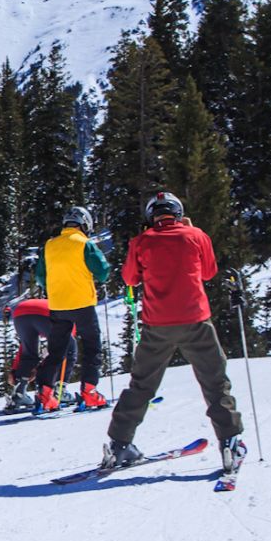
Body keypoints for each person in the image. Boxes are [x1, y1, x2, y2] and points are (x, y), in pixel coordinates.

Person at [103, 192, 247, 477]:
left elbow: (130, 278)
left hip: (157, 324)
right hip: (195, 320)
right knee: (215, 383)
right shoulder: (196, 235)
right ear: (179, 213)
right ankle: (229, 442)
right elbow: (209, 272)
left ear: (151, 216)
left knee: (141, 385)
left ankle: (120, 443)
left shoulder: (141, 242)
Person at [31, 206, 111, 413]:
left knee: (57, 351)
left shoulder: (49, 245)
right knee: (92, 348)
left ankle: (45, 395)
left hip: (58, 305)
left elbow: (40, 276)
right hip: (82, 303)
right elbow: (102, 272)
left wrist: (54, 288)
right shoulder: (85, 244)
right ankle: (89, 392)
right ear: (86, 225)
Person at [4, 295, 54, 411]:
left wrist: (15, 370)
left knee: (29, 353)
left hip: (20, 312)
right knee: (68, 350)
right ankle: (57, 391)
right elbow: (62, 351)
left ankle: (19, 394)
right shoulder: (70, 318)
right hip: (45, 313)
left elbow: (24, 349)